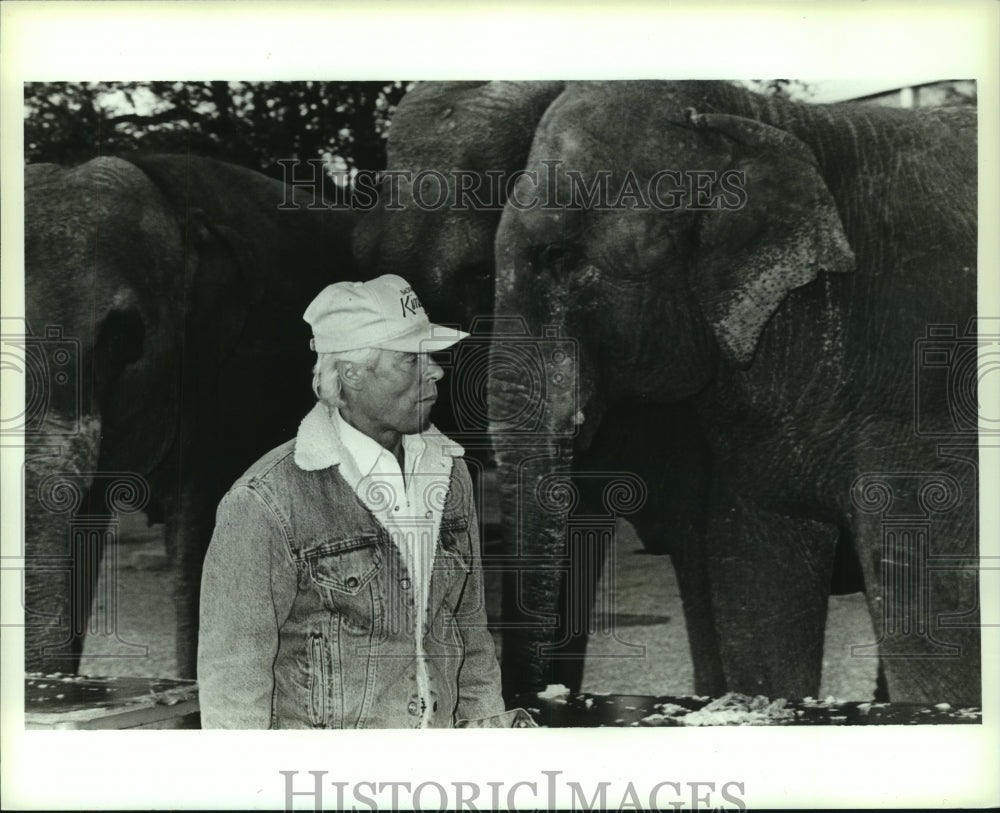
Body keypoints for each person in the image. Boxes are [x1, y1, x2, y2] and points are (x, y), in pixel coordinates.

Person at [197, 274, 527, 728]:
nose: (434, 371)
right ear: (350, 372)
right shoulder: (265, 502)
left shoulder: (450, 476)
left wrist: (489, 750)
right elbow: (233, 682)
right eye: (410, 359)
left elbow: (470, 636)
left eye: (430, 357)